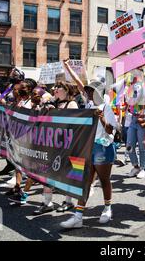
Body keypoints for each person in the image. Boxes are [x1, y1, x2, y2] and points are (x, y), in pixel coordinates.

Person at [60, 80, 119, 229]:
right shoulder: (86, 106)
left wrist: (101, 117)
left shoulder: (106, 108)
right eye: (88, 91)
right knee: (85, 182)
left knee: (104, 180)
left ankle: (107, 209)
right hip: (88, 148)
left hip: (103, 148)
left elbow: (110, 130)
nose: (89, 93)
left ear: (98, 92)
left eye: (92, 91)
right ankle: (78, 217)